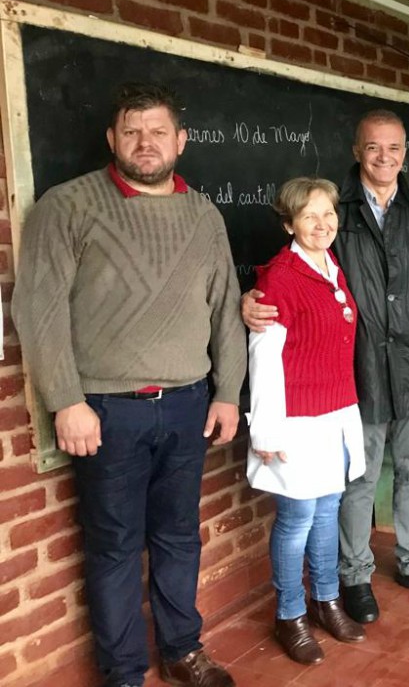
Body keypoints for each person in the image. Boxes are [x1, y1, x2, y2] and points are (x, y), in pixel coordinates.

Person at [12, 83, 245, 687]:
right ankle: (123, 673)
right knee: (114, 547)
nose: (146, 143)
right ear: (112, 139)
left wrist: (227, 392)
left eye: (158, 131)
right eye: (133, 131)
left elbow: (225, 311)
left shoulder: (203, 214)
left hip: (190, 403)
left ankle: (183, 649)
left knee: (177, 535)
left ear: (180, 142)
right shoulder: (67, 206)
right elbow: (39, 309)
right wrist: (65, 399)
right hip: (106, 413)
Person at [243, 109, 409, 624]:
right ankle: (356, 573)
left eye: (395, 148)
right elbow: (296, 271)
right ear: (356, 151)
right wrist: (249, 298)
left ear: (406, 153)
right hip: (354, 370)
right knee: (357, 478)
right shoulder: (333, 209)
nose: (385, 158)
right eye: (373, 147)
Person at [246, 177, 367, 665]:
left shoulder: (330, 264)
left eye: (328, 214)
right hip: (296, 418)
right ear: (289, 223)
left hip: (336, 412)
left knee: (327, 510)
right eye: (310, 216)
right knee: (297, 518)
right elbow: (264, 355)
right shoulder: (279, 275)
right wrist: (267, 430)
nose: (323, 224)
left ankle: (326, 599)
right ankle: (289, 614)